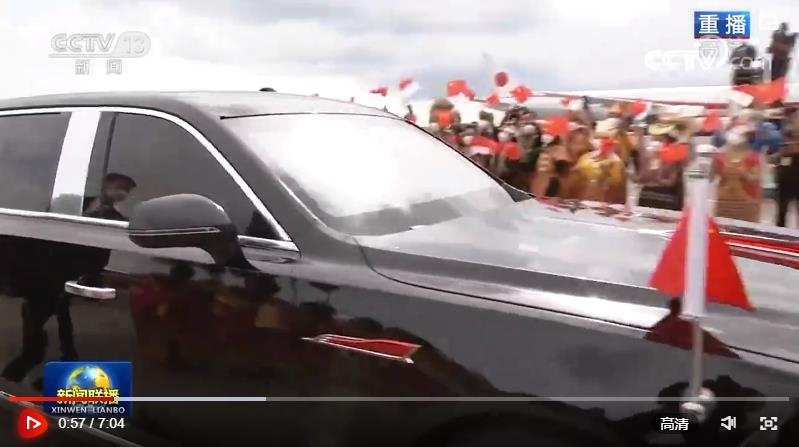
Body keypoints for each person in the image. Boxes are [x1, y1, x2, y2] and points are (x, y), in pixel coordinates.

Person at [713, 125, 763, 222]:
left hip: (747, 203)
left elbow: (756, 179)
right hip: (725, 203)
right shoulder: (719, 156)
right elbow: (712, 175)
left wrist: (744, 174)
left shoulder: (753, 157)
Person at [636, 120, 689, 211]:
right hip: (648, 197)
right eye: (654, 139)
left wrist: (657, 179)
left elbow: (671, 182)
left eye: (659, 139)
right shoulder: (650, 155)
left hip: (664, 199)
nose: (655, 142)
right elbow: (641, 178)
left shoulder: (673, 156)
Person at [774, 109, 799, 226]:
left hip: (794, 174)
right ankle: (780, 231)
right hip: (785, 175)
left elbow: (791, 150)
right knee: (782, 208)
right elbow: (781, 152)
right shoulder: (786, 134)